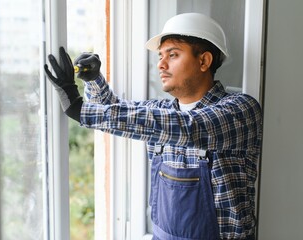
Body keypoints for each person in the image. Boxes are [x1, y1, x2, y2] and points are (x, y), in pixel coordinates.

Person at [44, 12, 262, 240]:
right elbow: (121, 112)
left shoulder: (240, 109)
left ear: (204, 61)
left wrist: (79, 109)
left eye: (173, 55)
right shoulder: (162, 111)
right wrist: (93, 80)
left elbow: (189, 127)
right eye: (160, 56)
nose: (161, 64)